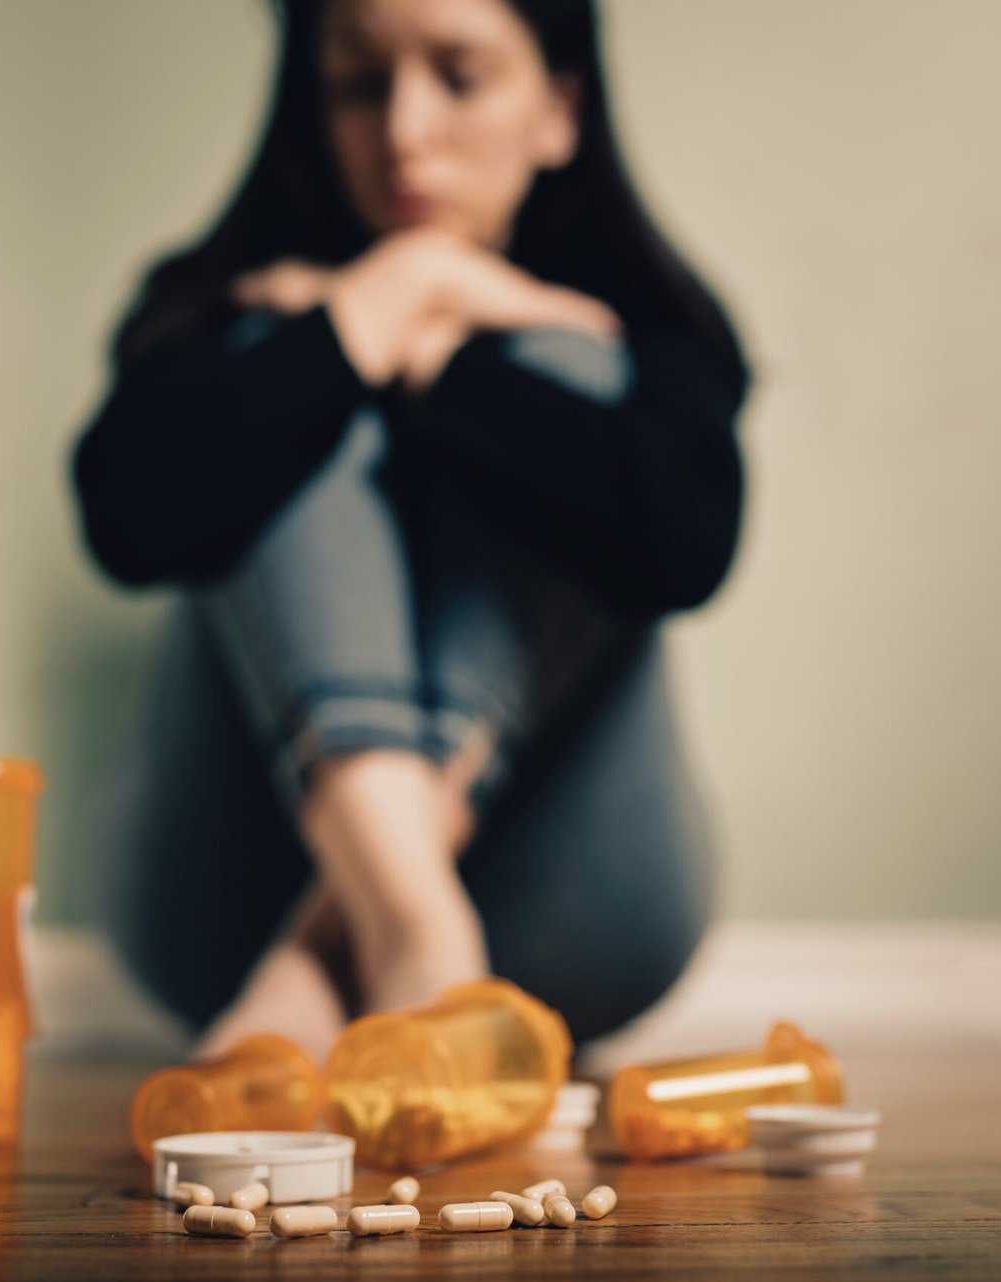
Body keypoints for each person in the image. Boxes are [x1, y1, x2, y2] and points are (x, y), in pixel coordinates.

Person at [69, 0, 752, 1062]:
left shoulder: (643, 326)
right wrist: (363, 317)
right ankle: (414, 929)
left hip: (576, 915)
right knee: (276, 376)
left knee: (579, 380)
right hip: (218, 910)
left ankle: (327, 958)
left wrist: (439, 341)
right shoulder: (219, 298)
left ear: (559, 109)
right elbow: (127, 518)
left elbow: (684, 541)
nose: (403, 132)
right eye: (358, 86)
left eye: (461, 77)